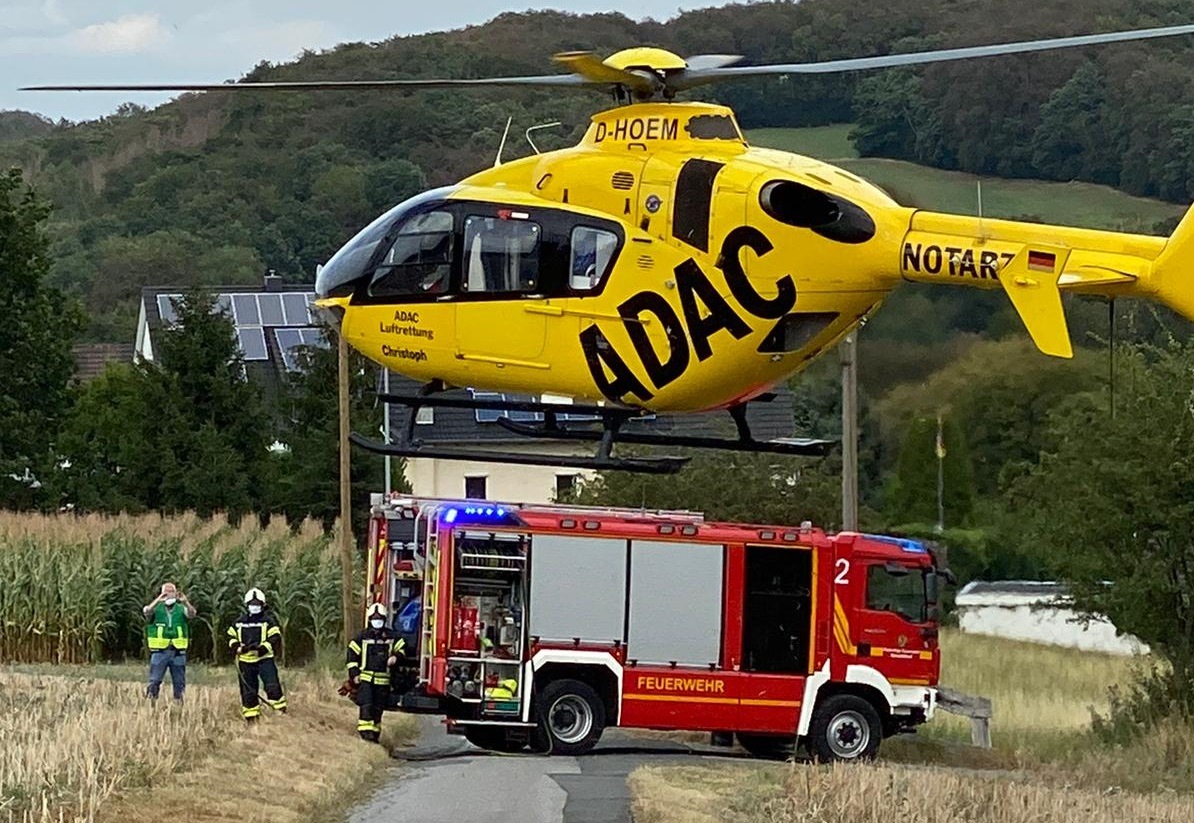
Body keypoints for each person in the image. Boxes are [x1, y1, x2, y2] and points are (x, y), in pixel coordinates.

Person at [346, 602, 405, 742]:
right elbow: (352, 656)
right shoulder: (362, 637)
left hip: (383, 681)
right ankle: (365, 734)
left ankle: (375, 735)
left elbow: (402, 648)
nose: (377, 620)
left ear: (384, 619)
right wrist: (354, 675)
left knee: (378, 709)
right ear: (369, 619)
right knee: (366, 706)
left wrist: (396, 657)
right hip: (366, 680)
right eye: (374, 618)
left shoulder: (391, 636)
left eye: (379, 618)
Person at [226, 588, 287, 722]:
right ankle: (252, 720)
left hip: (264, 660)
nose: (255, 606)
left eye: (258, 604)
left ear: (263, 605)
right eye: (252, 603)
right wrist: (237, 647)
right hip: (245, 661)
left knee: (272, 686)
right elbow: (230, 637)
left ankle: (281, 715)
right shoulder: (239, 622)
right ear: (247, 605)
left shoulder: (268, 621)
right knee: (248, 692)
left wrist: (262, 648)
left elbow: (275, 636)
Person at [143, 582, 196, 703]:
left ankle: (179, 704)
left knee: (179, 682)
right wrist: (158, 600)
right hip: (159, 652)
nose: (168, 594)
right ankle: (151, 702)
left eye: (171, 591)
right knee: (155, 680)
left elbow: (192, 614)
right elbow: (147, 612)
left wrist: (185, 602)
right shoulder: (156, 609)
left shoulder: (181, 608)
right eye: (165, 592)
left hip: (177, 652)